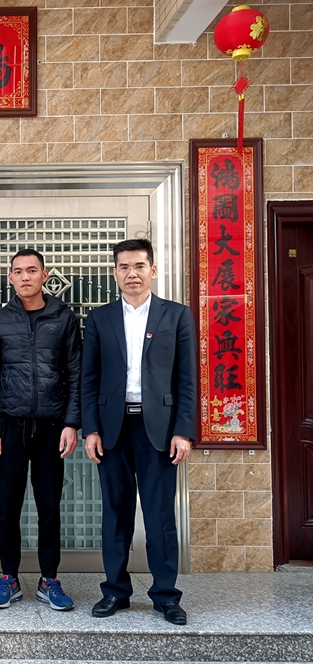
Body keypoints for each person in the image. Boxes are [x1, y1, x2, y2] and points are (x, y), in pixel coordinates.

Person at [81, 238, 196, 626]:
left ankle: (166, 595)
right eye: (124, 267)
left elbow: (187, 378)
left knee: (160, 514)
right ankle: (115, 591)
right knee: (115, 513)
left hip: (159, 430)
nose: (132, 273)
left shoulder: (176, 315)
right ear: (115, 273)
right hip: (112, 429)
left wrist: (183, 431)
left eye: (139, 266)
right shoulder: (100, 318)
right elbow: (89, 378)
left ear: (153, 270)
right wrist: (90, 429)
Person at [0, 249, 82, 611]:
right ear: (10, 278)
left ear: (44, 275)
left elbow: (75, 373)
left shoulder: (63, 318)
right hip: (10, 424)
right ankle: (9, 577)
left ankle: (49, 579)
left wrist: (71, 423)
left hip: (52, 425)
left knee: (49, 506)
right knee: (9, 507)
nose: (25, 277)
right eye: (18, 271)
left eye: (32, 270)